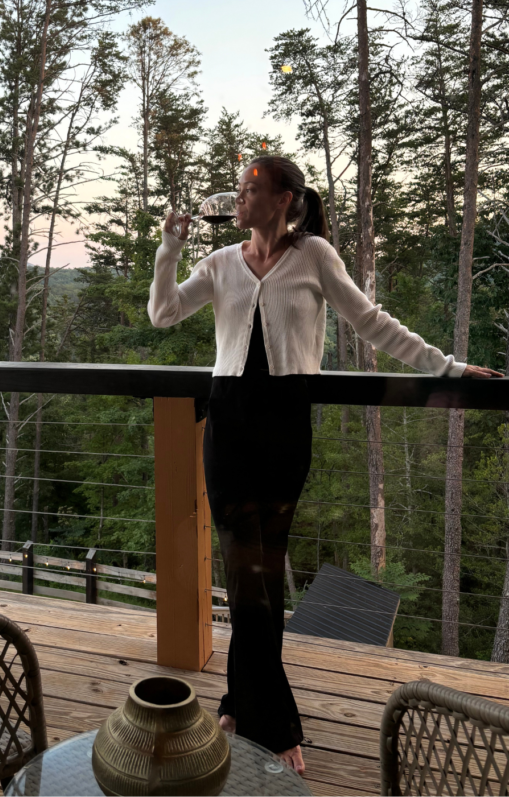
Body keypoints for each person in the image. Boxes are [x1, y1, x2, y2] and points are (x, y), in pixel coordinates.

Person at [147, 155, 502, 775]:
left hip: (284, 428)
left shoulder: (314, 257)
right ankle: (275, 719)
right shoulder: (222, 262)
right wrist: (168, 250)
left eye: (251, 188)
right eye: (238, 188)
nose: (239, 197)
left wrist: (448, 368)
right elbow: (163, 313)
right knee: (243, 575)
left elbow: (371, 323)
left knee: (263, 570)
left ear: (285, 199)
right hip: (226, 427)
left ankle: (237, 699)